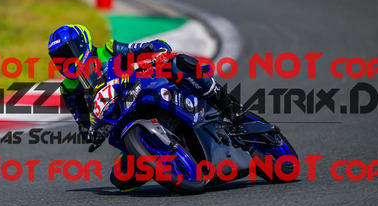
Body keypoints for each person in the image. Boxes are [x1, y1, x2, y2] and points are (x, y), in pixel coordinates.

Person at [47, 24, 244, 192]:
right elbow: (81, 121)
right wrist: (90, 133)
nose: (65, 60)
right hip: (118, 118)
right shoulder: (69, 88)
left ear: (82, 44)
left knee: (177, 64)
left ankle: (226, 104)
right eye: (58, 58)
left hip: (145, 90)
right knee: (120, 177)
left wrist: (155, 50)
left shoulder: (108, 50)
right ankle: (161, 160)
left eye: (67, 53)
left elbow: (145, 47)